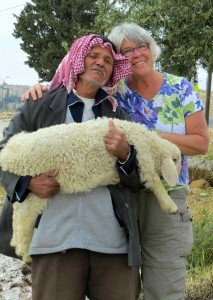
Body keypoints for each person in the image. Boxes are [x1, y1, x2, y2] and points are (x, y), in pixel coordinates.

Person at [24, 23, 209, 300]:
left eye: (141, 46)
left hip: (165, 197)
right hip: (121, 197)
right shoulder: (114, 91)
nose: (136, 54)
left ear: (152, 49)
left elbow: (201, 143)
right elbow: (72, 86)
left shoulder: (180, 88)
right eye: (127, 51)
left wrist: (149, 138)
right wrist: (40, 88)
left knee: (165, 286)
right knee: (123, 287)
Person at [0, 34, 143, 300]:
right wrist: (27, 183)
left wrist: (125, 156)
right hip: (55, 241)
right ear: (77, 59)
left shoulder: (117, 115)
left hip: (111, 244)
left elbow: (136, 182)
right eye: (93, 56)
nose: (100, 63)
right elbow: (3, 154)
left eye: (108, 61)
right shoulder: (39, 105)